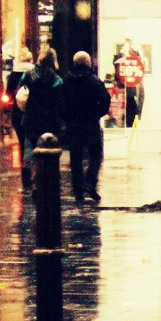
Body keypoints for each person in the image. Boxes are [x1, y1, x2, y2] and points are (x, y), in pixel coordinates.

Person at [61, 50, 111, 205]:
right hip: (90, 124)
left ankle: (78, 191)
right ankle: (90, 181)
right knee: (96, 155)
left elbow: (61, 103)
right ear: (88, 63)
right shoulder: (94, 81)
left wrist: (67, 118)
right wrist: (96, 114)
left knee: (75, 158)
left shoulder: (66, 81)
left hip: (74, 125)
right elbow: (105, 100)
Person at [18, 52, 65, 188]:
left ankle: (28, 177)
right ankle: (43, 178)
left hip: (31, 118)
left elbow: (19, 93)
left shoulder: (27, 75)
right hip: (50, 120)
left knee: (29, 147)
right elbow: (60, 103)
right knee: (48, 149)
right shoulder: (56, 79)